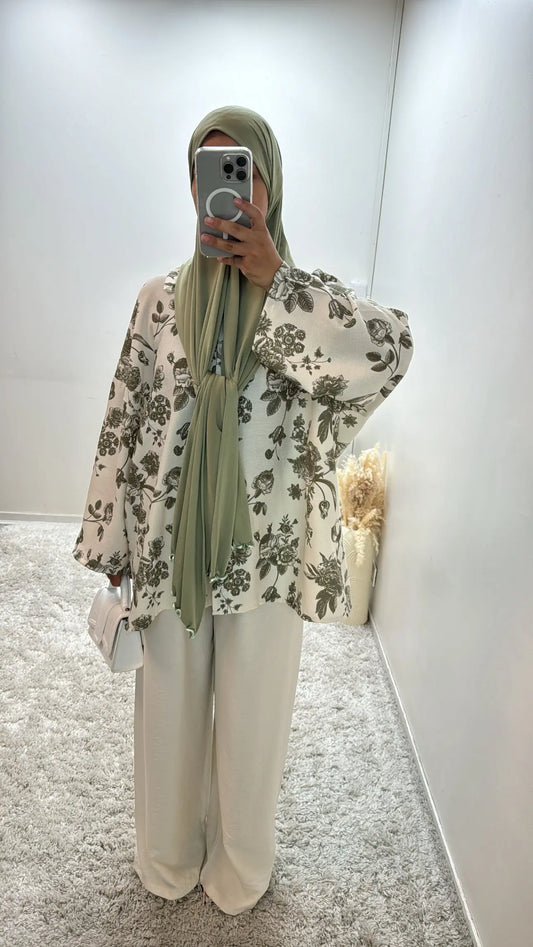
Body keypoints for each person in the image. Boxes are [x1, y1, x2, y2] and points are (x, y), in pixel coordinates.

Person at [73, 105, 414, 915]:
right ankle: (166, 858)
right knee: (168, 714)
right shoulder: (158, 301)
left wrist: (275, 280)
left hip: (266, 550)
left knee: (253, 725)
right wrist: (113, 543)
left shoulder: (303, 300)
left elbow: (387, 350)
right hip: (169, 546)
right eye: (209, 173)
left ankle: (240, 868)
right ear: (192, 187)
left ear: (270, 183)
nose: (226, 192)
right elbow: (125, 418)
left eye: (243, 172)